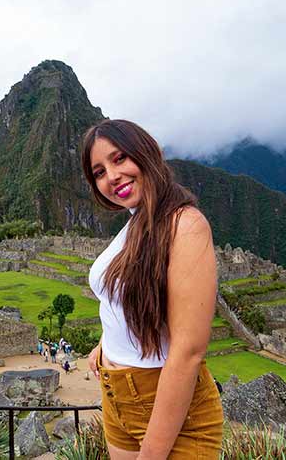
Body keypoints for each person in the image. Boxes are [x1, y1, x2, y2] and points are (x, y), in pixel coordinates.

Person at [82, 119, 223, 458]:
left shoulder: (186, 226)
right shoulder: (136, 223)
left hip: (170, 408)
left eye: (119, 159)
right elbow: (126, 294)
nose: (111, 177)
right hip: (117, 398)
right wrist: (105, 344)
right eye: (99, 172)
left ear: (148, 153)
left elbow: (189, 351)